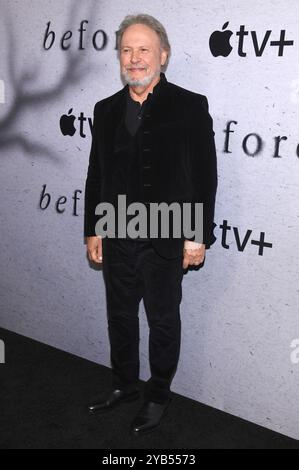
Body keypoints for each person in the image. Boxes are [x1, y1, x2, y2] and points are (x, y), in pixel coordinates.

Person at [84, 13, 217, 435]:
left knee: (163, 320)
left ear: (163, 54)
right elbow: (96, 175)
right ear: (119, 57)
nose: (135, 58)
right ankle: (124, 384)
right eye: (127, 50)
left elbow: (204, 175)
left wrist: (197, 235)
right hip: (117, 235)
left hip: (166, 237)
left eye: (143, 49)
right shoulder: (104, 110)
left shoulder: (189, 105)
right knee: (119, 317)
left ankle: (158, 393)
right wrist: (94, 228)